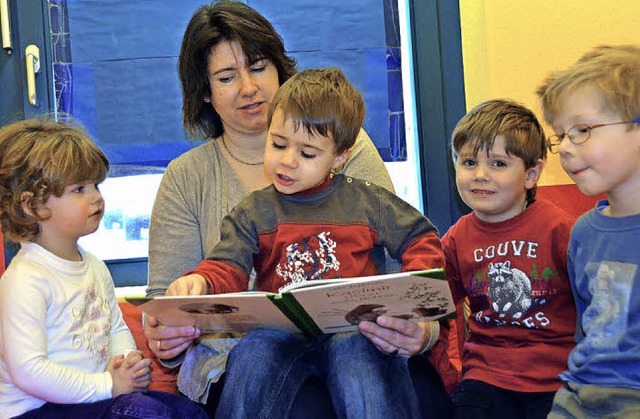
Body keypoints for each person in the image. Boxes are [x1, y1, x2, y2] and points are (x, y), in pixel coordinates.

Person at [144, 1, 456, 416]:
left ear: (338, 156)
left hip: (357, 332)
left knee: (365, 363)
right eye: (225, 77)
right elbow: (218, 269)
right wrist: (186, 299)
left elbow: (417, 244)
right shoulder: (217, 192)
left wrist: (422, 321)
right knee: (270, 366)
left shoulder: (351, 159)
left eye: (257, 67)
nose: (248, 88)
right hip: (254, 350)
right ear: (205, 91)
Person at [0, 118, 208, 418]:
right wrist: (108, 386)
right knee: (143, 413)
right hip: (36, 409)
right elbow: (29, 372)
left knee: (188, 412)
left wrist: (127, 363)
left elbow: (114, 327)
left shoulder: (94, 266)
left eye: (95, 185)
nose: (96, 196)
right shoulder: (24, 280)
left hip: (92, 399)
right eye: (79, 189)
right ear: (31, 206)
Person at [441, 99, 577, 418]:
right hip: (486, 375)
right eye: (469, 162)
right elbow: (433, 302)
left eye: (499, 164)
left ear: (531, 174)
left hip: (556, 376)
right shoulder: (457, 238)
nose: (481, 175)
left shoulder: (561, 230)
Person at [536, 44, 640, 418]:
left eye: (582, 130)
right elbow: (587, 328)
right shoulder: (584, 232)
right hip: (579, 393)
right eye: (560, 134)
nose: (563, 148)